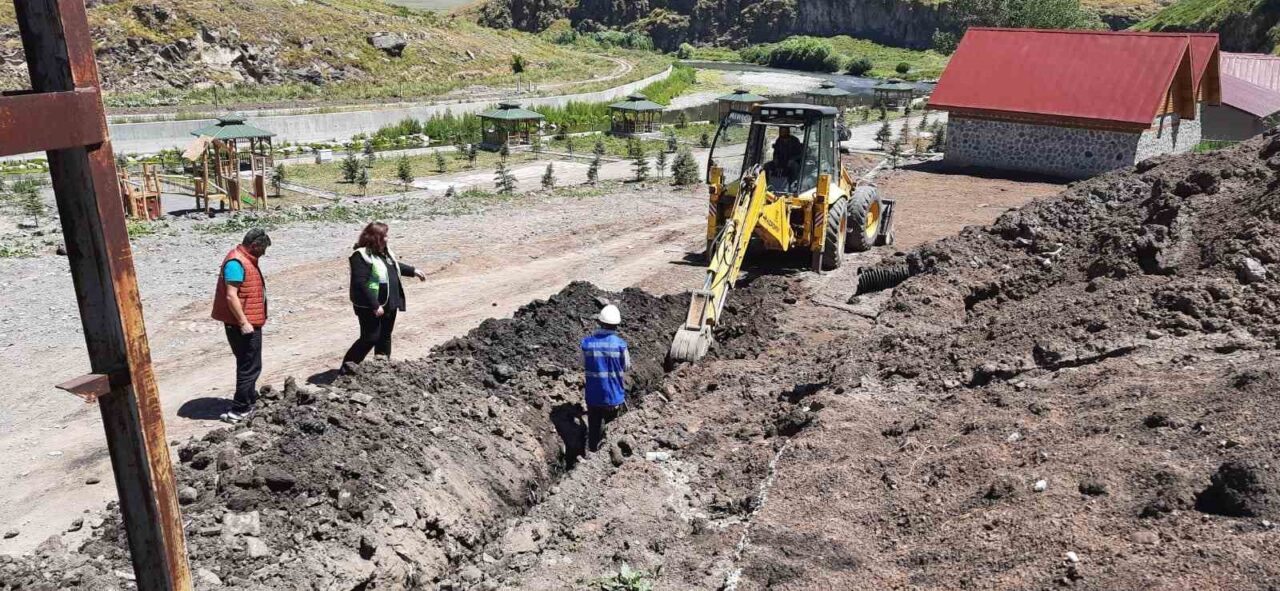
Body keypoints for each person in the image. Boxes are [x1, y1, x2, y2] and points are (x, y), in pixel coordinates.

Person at [342, 222, 426, 369]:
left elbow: (394, 266)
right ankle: (347, 368)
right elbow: (359, 283)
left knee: (385, 336)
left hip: (389, 302)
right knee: (370, 338)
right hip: (371, 305)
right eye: (384, 236)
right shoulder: (360, 256)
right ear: (376, 238)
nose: (387, 238)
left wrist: (413, 271)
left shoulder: (384, 252)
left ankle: (382, 369)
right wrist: (374, 305)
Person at [211, 229, 271, 423]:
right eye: (262, 249)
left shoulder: (244, 259)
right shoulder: (236, 263)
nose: (263, 253)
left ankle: (249, 398)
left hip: (248, 321)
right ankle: (240, 409)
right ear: (254, 245)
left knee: (249, 363)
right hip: (242, 325)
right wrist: (243, 322)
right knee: (249, 366)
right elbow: (231, 295)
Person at [580, 304, 630, 452]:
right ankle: (608, 455)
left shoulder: (587, 343)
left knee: (594, 428)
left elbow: (582, 363)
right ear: (616, 325)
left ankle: (592, 454)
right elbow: (626, 366)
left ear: (600, 322)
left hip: (593, 396)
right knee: (612, 430)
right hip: (614, 396)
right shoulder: (620, 345)